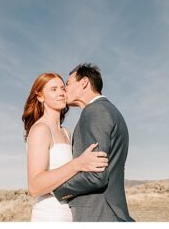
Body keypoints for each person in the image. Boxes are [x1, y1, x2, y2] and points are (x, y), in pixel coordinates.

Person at [23, 72, 108, 222]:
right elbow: (34, 187)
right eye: (53, 89)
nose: (61, 93)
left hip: (72, 214)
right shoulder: (40, 129)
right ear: (40, 97)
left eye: (63, 88)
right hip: (50, 215)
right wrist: (78, 164)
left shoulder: (67, 133)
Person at [53, 64, 132, 222]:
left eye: (67, 84)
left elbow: (95, 175)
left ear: (83, 83)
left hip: (98, 214)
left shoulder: (95, 111)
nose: (64, 90)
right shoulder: (109, 110)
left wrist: (56, 190)